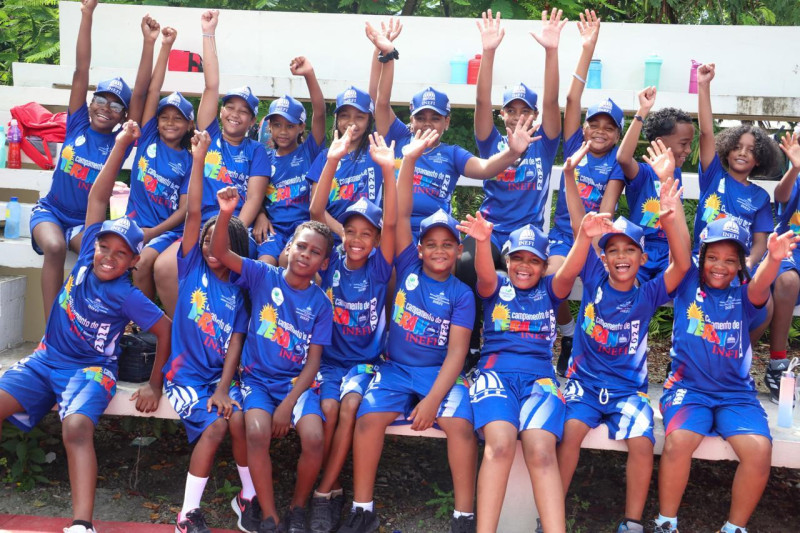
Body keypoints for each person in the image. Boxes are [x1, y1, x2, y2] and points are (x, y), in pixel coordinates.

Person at [0, 120, 171, 533]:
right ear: (93, 242)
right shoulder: (90, 248)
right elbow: (98, 193)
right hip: (46, 360)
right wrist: (123, 144)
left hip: (91, 369)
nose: (108, 257)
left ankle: (81, 524)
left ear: (134, 262)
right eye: (103, 247)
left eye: (121, 253)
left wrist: (154, 383)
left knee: (76, 426)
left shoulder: (129, 295)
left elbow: (165, 330)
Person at [458, 138, 616, 533]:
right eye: (517, 259)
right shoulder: (494, 285)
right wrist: (481, 241)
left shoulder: (551, 289)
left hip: (541, 380)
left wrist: (584, 237)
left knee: (543, 451)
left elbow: (573, 267)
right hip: (494, 377)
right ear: (507, 260)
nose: (524, 267)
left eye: (534, 261)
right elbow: (482, 271)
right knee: (499, 445)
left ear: (544, 265)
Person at [557, 141, 691, 533]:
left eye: (629, 250)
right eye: (612, 249)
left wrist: (670, 212)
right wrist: (568, 176)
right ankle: (550, 515)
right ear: (602, 257)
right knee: (568, 434)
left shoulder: (649, 292)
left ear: (643, 258)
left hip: (627, 390)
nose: (620, 256)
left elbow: (682, 262)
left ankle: (632, 523)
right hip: (583, 385)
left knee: (642, 441)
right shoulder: (594, 275)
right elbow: (583, 223)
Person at [653, 219, 799, 533]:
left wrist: (774, 259)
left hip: (735, 395)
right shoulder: (688, 280)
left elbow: (761, 285)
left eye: (731, 260)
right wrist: (669, 199)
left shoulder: (746, 293)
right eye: (713, 257)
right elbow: (679, 243)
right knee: (678, 441)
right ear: (702, 257)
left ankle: (734, 528)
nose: (720, 266)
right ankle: (666, 523)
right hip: (688, 389)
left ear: (740, 265)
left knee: (759, 450)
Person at [211, 187, 334, 533]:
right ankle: (269, 515)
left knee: (313, 437)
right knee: (256, 431)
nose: (306, 255)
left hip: (296, 385)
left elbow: (313, 362)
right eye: (301, 247)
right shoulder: (263, 276)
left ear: (323, 263)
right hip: (257, 381)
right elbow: (220, 251)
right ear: (287, 248)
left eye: (315, 253)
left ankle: (297, 508)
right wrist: (225, 212)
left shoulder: (321, 304)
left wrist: (289, 404)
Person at [152, 130, 253, 533]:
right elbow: (195, 214)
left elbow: (235, 344)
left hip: (220, 378)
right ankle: (187, 514)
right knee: (214, 426)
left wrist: (225, 388)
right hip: (185, 374)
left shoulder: (242, 290)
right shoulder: (191, 265)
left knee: (242, 419)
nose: (213, 246)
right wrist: (199, 159)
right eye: (208, 240)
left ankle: (248, 498)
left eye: (222, 241)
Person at [29, 0, 155, 322]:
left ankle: (85, 325)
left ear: (124, 116)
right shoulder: (77, 125)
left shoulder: (121, 141)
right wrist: (87, 15)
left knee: (98, 258)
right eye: (101, 100)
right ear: (90, 103)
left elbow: (139, 94)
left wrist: (148, 43)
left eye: (115, 106)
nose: (105, 108)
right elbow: (80, 71)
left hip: (86, 222)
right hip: (51, 211)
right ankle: (51, 330)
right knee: (54, 248)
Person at [365, 20, 543, 242]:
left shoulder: (452, 154)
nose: (427, 124)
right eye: (420, 117)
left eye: (435, 118)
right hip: (394, 230)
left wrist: (513, 153)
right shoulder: (399, 137)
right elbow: (379, 102)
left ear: (447, 122)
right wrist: (387, 54)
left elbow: (486, 168)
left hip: (435, 234)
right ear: (411, 119)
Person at [456, 8, 565, 360]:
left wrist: (551, 51)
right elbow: (480, 101)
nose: (518, 117)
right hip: (490, 231)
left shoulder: (545, 143)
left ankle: (536, 345)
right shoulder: (491, 143)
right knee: (464, 264)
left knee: (543, 278)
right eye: (511, 111)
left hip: (527, 236)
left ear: (534, 116)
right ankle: (471, 343)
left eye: (525, 111)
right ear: (503, 115)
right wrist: (488, 53)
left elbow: (551, 101)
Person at [307, 128, 397, 533]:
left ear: (376, 239)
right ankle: (334, 485)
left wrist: (389, 171)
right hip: (329, 363)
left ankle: (322, 494)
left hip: (364, 363)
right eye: (351, 231)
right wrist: (332, 160)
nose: (357, 239)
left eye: (367, 233)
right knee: (327, 410)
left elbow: (393, 222)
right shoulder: (331, 261)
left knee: (347, 408)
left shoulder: (379, 266)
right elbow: (315, 209)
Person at [154, 9, 270, 316]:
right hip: (194, 225)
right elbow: (210, 86)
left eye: (243, 111)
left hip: (233, 228)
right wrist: (208, 33)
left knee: (236, 276)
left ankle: (227, 334)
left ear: (253, 120)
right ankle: (187, 330)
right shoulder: (209, 134)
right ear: (220, 112)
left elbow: (254, 199)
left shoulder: (256, 151)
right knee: (164, 267)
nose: (235, 113)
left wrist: (228, 233)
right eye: (230, 106)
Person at [549, 10, 625, 376]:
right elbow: (572, 97)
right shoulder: (572, 149)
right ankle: (566, 336)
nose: (598, 131)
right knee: (553, 278)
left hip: (597, 236)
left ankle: (591, 346)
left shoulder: (614, 164)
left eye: (608, 127)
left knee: (607, 282)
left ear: (617, 134)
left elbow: (606, 213)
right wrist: (586, 48)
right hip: (564, 235)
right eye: (593, 124)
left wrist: (594, 240)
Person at [126, 26, 194, 299]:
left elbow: (185, 209)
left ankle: (153, 329)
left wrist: (153, 231)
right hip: (133, 223)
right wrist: (164, 45)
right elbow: (152, 90)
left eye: (177, 118)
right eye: (165, 116)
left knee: (142, 264)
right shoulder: (148, 138)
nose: (169, 122)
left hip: (165, 231)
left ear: (189, 124)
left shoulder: (190, 160)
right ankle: (142, 327)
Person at [616, 86, 695, 283]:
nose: (688, 150)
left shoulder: (676, 171)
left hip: (669, 250)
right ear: (661, 143)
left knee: (683, 283)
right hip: (641, 248)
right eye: (683, 143)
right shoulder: (643, 173)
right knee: (627, 285)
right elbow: (624, 158)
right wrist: (642, 111)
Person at [254, 56, 327, 265]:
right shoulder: (263, 158)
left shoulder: (310, 151)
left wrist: (309, 75)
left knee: (290, 260)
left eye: (290, 125)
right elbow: (252, 194)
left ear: (301, 127)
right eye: (277, 125)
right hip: (273, 230)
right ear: (269, 127)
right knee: (264, 265)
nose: (283, 131)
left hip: (304, 229)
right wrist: (260, 214)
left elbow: (320, 113)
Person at [305, 86, 384, 241]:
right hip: (330, 237)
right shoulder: (324, 157)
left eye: (359, 117)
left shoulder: (378, 152)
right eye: (344, 116)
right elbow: (315, 210)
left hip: (369, 239)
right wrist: (343, 233)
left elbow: (383, 98)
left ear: (370, 119)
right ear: (336, 119)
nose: (351, 123)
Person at [762, 132, 800, 403]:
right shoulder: (796, 174)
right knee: (787, 281)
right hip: (789, 245)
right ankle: (777, 363)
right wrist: (795, 167)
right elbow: (780, 195)